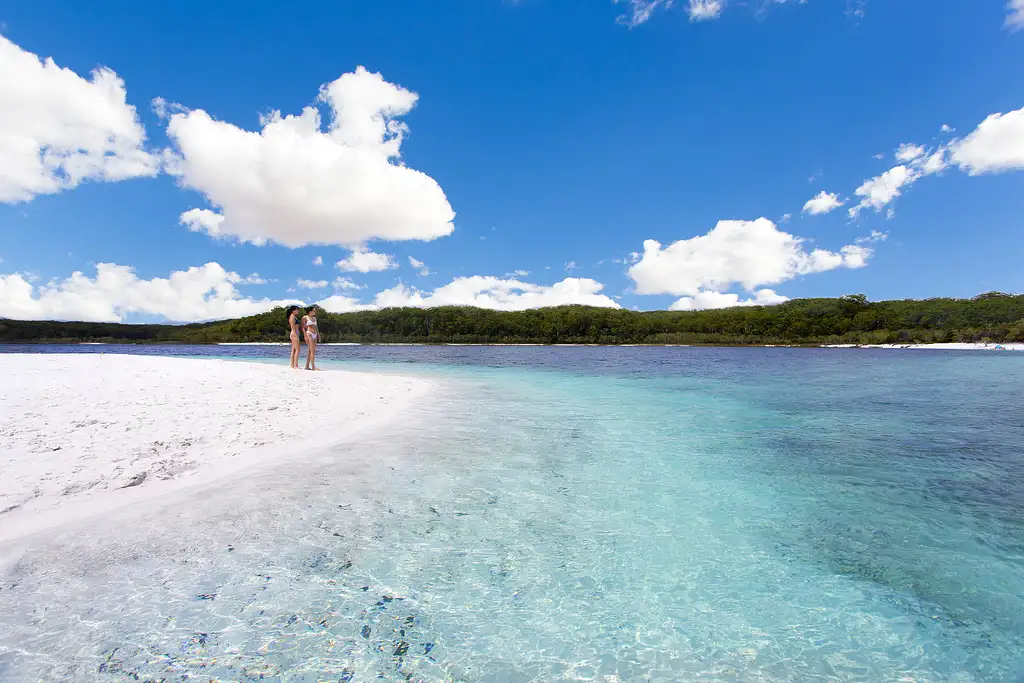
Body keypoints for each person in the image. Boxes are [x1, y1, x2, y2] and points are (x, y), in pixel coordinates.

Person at [302, 305, 320, 371]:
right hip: (309, 333)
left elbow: (316, 327)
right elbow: (303, 327)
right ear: (310, 311)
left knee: (311, 351)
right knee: (313, 351)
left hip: (315, 334)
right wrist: (305, 336)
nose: (315, 312)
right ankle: (313, 367)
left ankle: (307, 366)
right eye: (314, 310)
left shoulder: (314, 318)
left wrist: (319, 335)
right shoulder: (305, 317)